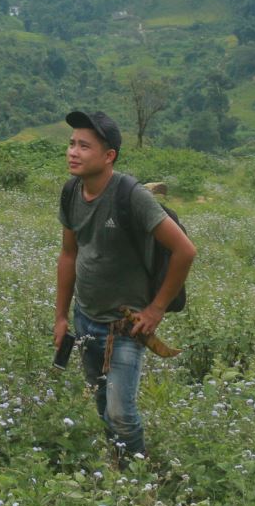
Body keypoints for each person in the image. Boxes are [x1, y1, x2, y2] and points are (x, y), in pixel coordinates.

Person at [54, 109, 196, 462]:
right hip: (85, 317)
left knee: (121, 412)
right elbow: (69, 254)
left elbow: (184, 251)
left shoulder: (131, 196)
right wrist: (61, 317)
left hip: (125, 325)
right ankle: (116, 461)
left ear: (109, 156)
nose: (73, 152)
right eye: (71, 144)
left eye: (84, 146)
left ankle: (139, 478)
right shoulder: (72, 191)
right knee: (101, 401)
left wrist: (156, 309)